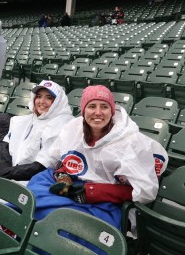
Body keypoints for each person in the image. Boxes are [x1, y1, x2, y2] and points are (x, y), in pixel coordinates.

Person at [26, 85, 167, 229]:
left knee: (65, 220)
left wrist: (92, 191)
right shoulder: (74, 129)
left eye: (104, 107)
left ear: (111, 111)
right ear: (83, 110)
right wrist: (62, 173)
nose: (98, 112)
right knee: (35, 186)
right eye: (92, 106)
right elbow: (69, 158)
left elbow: (144, 190)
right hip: (76, 185)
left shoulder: (132, 143)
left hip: (108, 201)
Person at [0, 80, 74, 186]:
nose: (41, 102)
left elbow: (41, 166)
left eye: (48, 98)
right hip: (8, 170)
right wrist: (3, 171)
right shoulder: (24, 120)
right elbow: (6, 150)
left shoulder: (63, 124)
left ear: (57, 102)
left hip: (33, 179)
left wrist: (6, 174)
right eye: (38, 97)